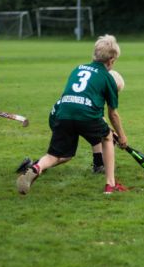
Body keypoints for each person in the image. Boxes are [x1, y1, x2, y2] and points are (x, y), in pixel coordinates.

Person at [16, 35, 128, 196]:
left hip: (63, 114)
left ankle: (36, 168)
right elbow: (113, 114)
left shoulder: (78, 68)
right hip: (85, 115)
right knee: (108, 137)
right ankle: (110, 184)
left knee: (58, 155)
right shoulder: (107, 78)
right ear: (111, 60)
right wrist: (122, 137)